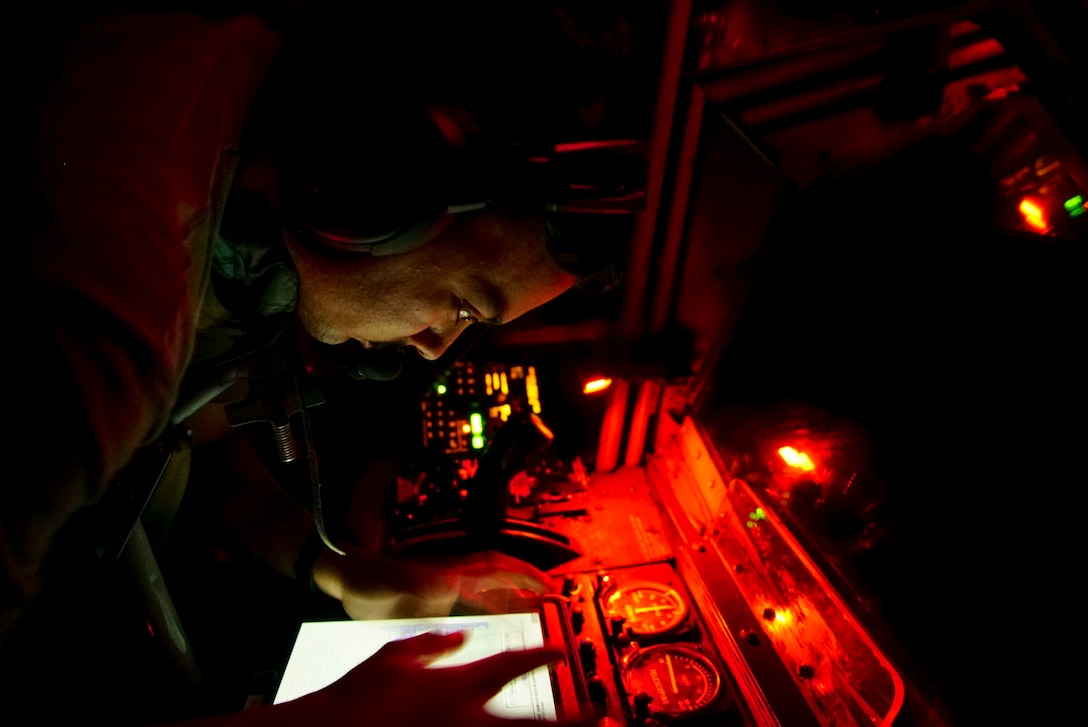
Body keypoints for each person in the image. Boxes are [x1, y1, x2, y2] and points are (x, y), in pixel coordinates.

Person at [6, 1, 638, 725]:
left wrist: (339, 567)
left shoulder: (212, 99)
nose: (436, 346)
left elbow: (196, 444)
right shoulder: (102, 314)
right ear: (373, 186)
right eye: (464, 303)